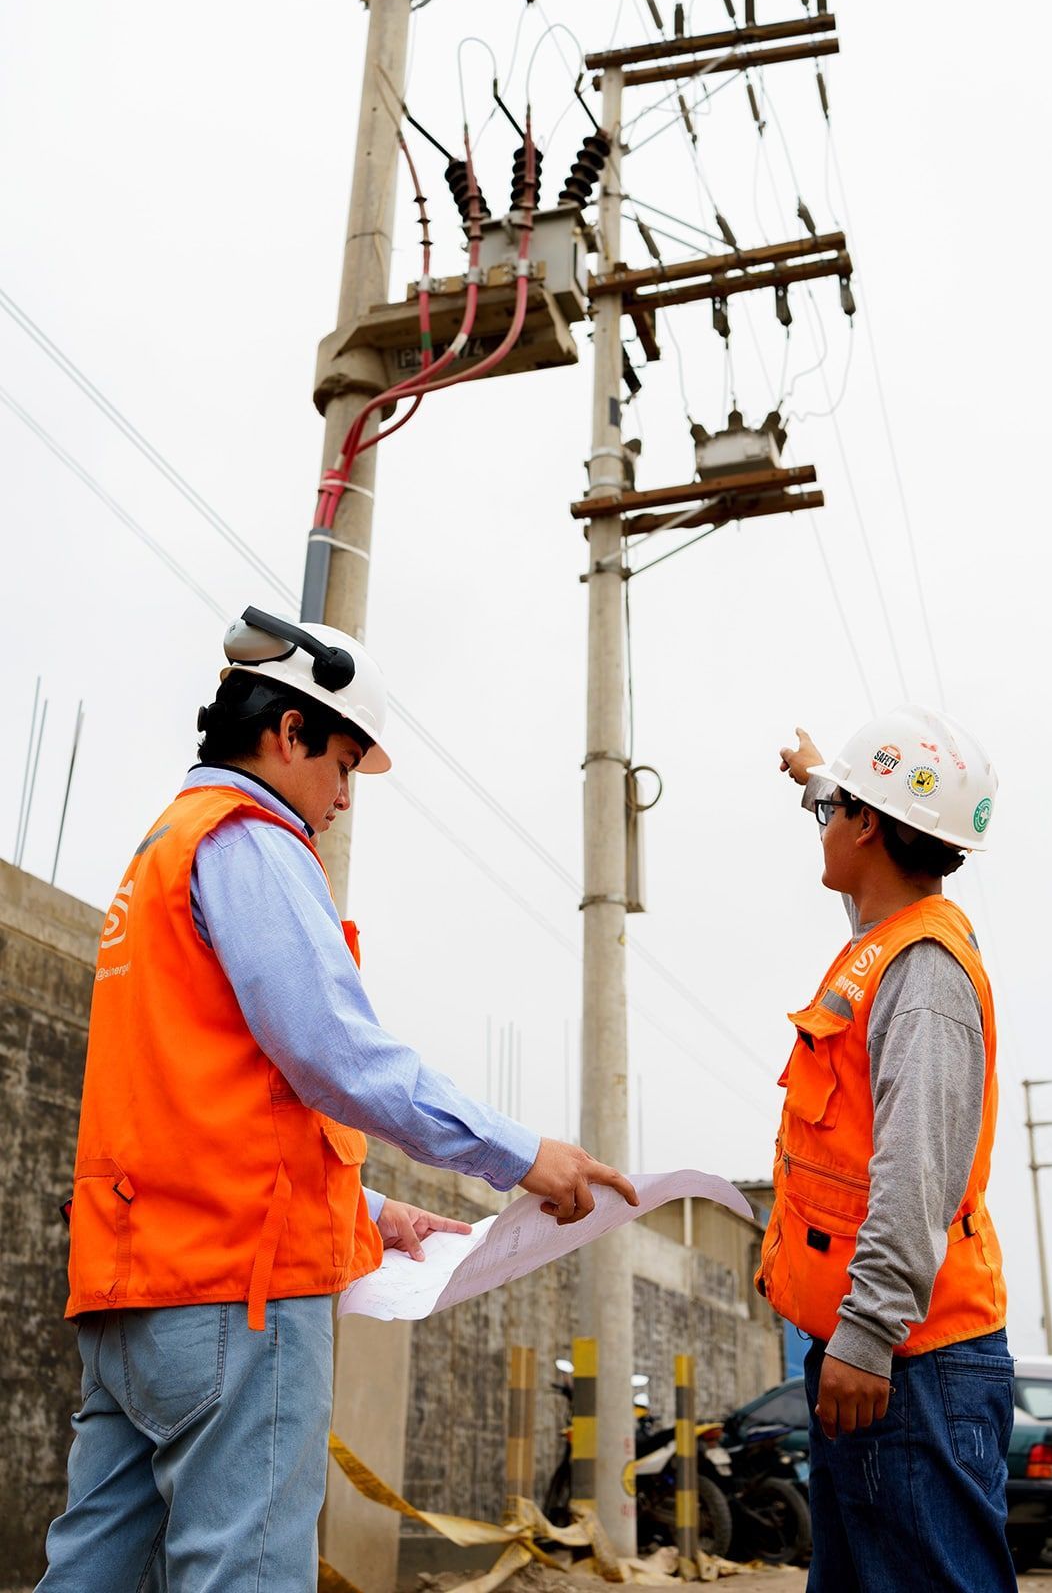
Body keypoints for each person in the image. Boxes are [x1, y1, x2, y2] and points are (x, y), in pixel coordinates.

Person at [39, 606, 637, 1592]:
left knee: (92, 1571)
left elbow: (195, 1112)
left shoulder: (158, 859)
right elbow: (335, 1057)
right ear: (289, 733)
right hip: (236, 1302)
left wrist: (365, 1213)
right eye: (344, 765)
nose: (345, 799)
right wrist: (523, 1154)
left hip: (130, 1301)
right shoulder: (253, 843)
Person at [758, 705, 1016, 1592]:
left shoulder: (924, 975)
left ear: (869, 825)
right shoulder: (886, 942)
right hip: (884, 1361)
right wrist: (822, 779)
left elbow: (915, 1175)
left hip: (909, 1365)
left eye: (835, 812)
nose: (822, 827)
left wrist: (865, 1338)